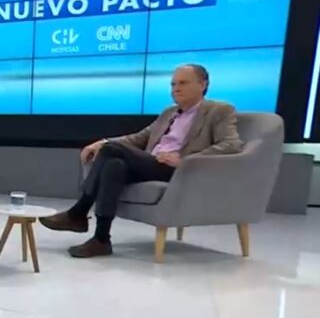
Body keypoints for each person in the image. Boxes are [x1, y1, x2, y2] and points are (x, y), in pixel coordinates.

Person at [40, 64, 243, 258]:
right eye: (173, 84)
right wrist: (102, 142)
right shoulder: (169, 112)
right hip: (151, 163)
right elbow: (138, 138)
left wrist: (184, 160)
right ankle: (101, 239)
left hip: (177, 169)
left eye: (183, 83)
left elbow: (231, 144)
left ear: (203, 84)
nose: (176, 88)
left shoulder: (219, 110)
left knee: (110, 150)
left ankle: (79, 212)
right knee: (114, 166)